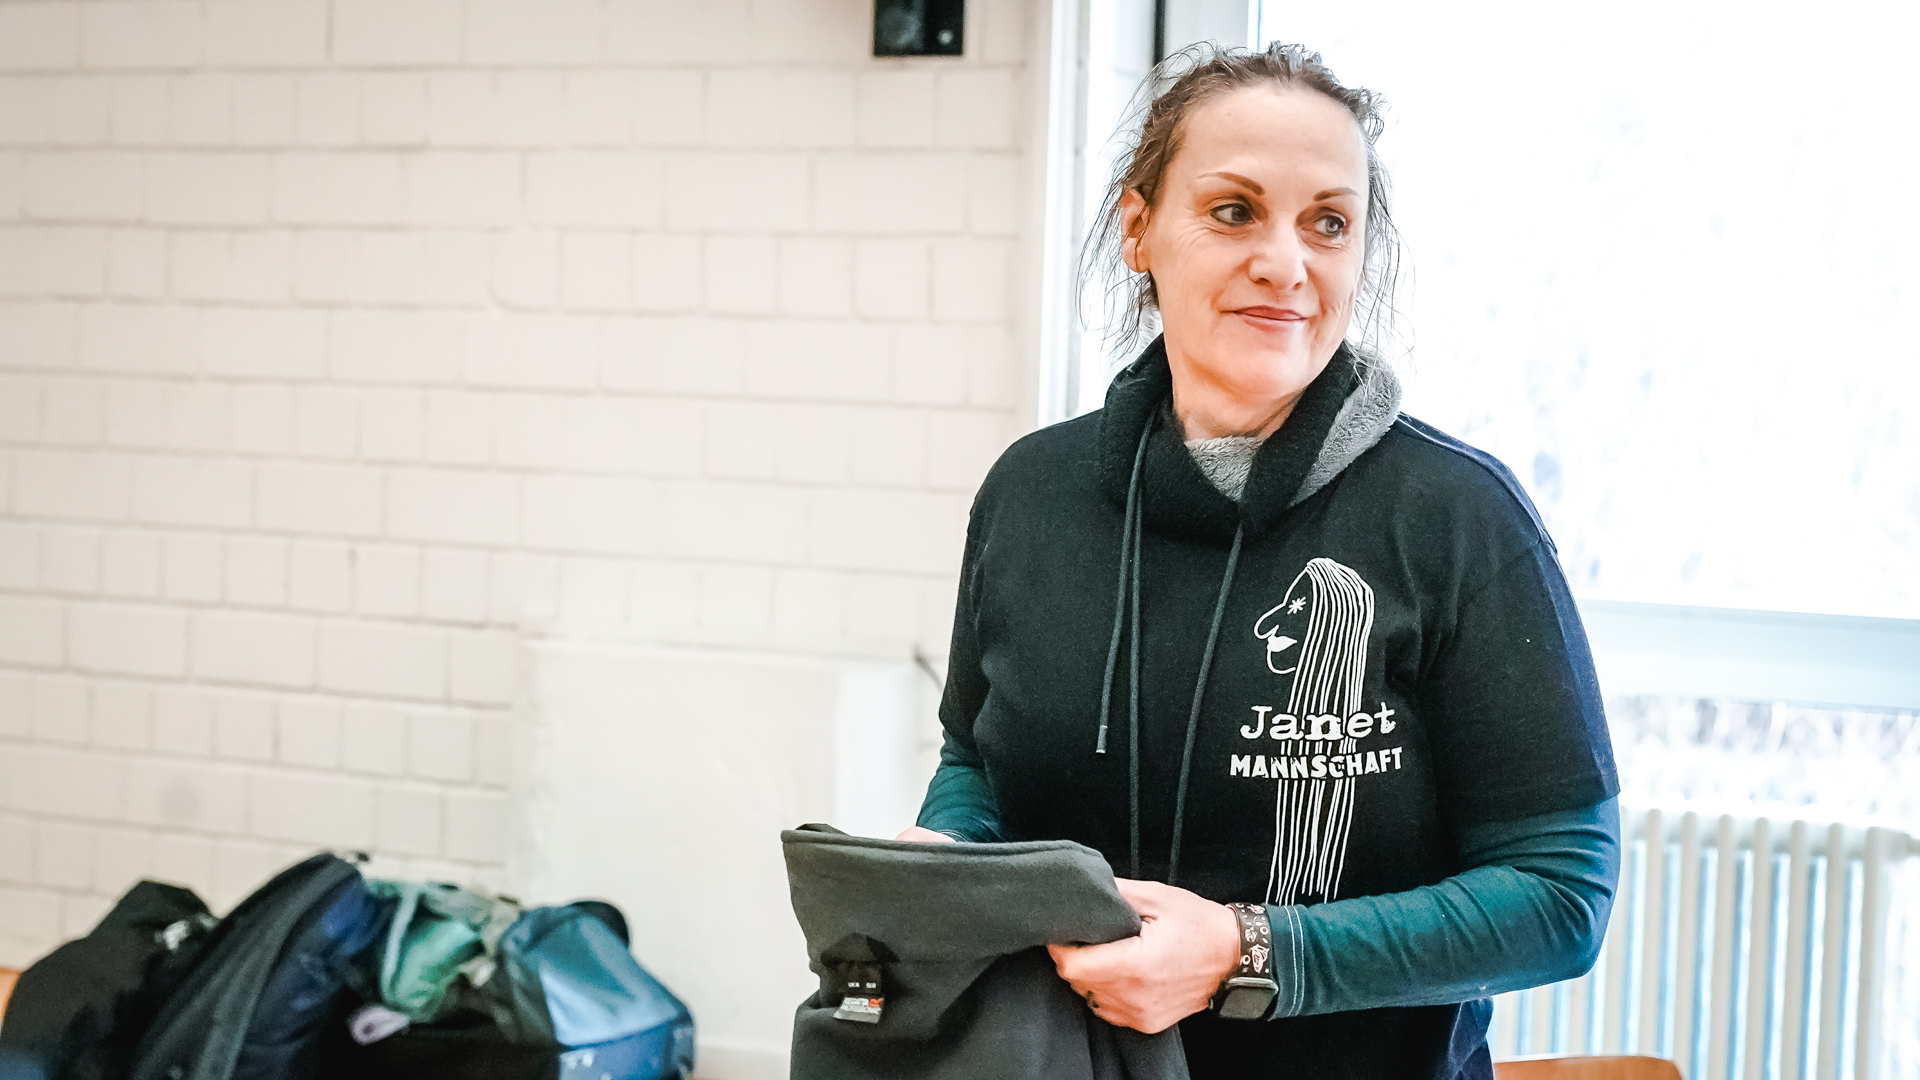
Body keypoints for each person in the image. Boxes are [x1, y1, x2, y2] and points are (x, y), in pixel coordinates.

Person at [894, 43, 1622, 1080]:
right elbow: (976, 760)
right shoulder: (1030, 494)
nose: (1286, 262)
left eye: (1329, 223)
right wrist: (949, 860)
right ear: (1139, 228)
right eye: (1234, 211)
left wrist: (1247, 955)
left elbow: (1561, 898)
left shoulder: (1461, 518)